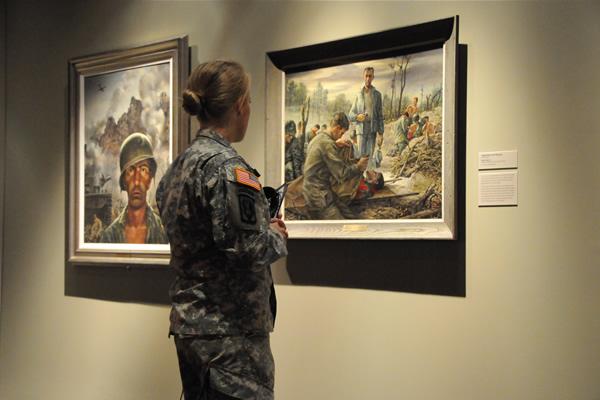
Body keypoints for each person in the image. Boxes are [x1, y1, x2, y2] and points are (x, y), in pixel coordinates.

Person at [155, 60, 288, 400]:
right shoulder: (227, 167)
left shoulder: (177, 169)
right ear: (241, 105)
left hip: (192, 329)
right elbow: (247, 249)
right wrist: (275, 233)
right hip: (230, 337)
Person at [101, 132, 167, 244]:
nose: (137, 181)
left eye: (143, 170)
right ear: (124, 181)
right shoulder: (109, 237)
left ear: (150, 179)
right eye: (131, 170)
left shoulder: (164, 234)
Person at [302, 112, 369, 219]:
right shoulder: (327, 144)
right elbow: (342, 174)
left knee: (350, 216)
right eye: (342, 133)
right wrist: (359, 166)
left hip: (318, 190)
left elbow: (322, 154)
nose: (341, 136)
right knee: (342, 226)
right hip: (317, 195)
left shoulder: (318, 139)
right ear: (337, 128)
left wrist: (336, 145)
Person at [348, 67, 384, 170]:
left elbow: (380, 115)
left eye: (370, 76)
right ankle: (360, 181)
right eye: (366, 76)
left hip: (372, 130)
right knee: (360, 157)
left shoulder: (377, 95)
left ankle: (368, 179)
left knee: (370, 157)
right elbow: (350, 115)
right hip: (360, 130)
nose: (368, 78)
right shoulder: (358, 95)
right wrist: (357, 117)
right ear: (363, 77)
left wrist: (381, 134)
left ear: (373, 77)